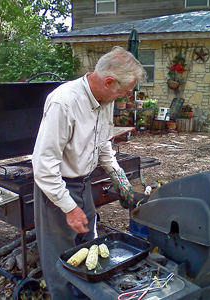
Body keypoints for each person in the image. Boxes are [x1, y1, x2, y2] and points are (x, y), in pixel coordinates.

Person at [31, 46, 146, 299]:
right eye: (125, 91)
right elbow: (44, 166)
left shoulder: (104, 99)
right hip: (57, 188)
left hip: (84, 183)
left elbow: (102, 142)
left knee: (89, 244)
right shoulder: (64, 102)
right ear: (109, 82)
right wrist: (69, 208)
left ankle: (84, 294)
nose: (125, 96)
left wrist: (119, 177)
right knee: (60, 258)